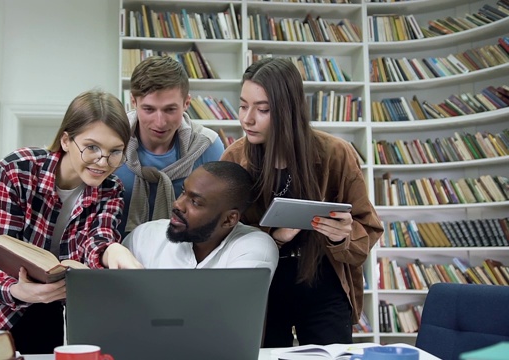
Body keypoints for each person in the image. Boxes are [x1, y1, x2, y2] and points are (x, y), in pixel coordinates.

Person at [0, 90, 143, 354]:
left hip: (47, 309)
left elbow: (97, 238)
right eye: (92, 147)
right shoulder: (17, 170)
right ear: (66, 140)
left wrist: (112, 250)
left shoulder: (111, 189)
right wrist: (18, 290)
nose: (103, 161)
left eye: (115, 152)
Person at [221, 58, 383, 346]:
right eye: (243, 105)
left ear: (288, 110)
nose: (247, 119)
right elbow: (221, 236)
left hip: (323, 278)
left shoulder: (335, 153)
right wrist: (273, 238)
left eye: (263, 109)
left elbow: (368, 228)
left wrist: (342, 236)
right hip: (263, 283)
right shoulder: (235, 158)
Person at [113, 56, 225, 237]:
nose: (160, 122)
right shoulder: (111, 141)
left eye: (170, 110)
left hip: (186, 254)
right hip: (112, 252)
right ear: (133, 102)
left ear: (186, 103)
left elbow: (219, 216)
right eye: (149, 109)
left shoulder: (208, 146)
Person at [123, 161, 278, 277]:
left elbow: (224, 313)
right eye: (183, 191)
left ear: (229, 219)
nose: (177, 204)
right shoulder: (144, 236)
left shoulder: (254, 247)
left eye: (195, 202)